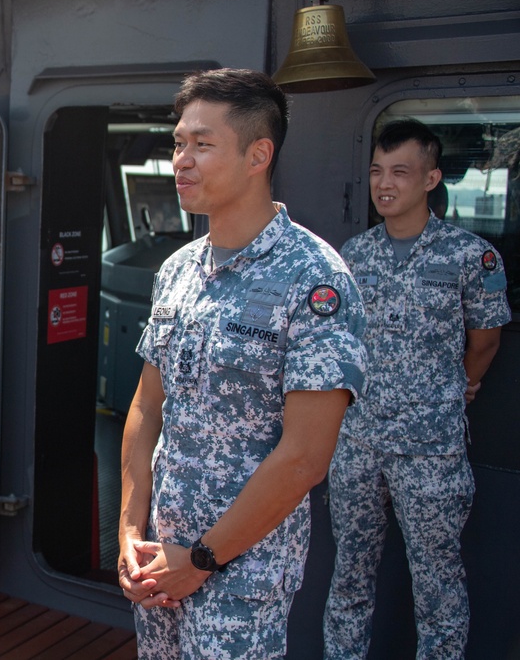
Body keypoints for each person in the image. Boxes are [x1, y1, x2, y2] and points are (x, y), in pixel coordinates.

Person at [118, 68, 368, 659]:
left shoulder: (315, 278)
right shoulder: (178, 270)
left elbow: (305, 455)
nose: (182, 160)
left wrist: (202, 559)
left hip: (241, 577)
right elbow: (146, 405)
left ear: (259, 154)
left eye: (203, 145)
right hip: (160, 561)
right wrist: (130, 531)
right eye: (179, 143)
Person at [323, 119, 510, 659]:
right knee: (350, 576)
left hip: (429, 449)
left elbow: (486, 342)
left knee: (438, 585)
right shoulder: (352, 256)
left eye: (400, 172)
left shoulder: (469, 257)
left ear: (431, 178)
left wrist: (464, 386)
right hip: (356, 444)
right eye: (378, 171)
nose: (385, 184)